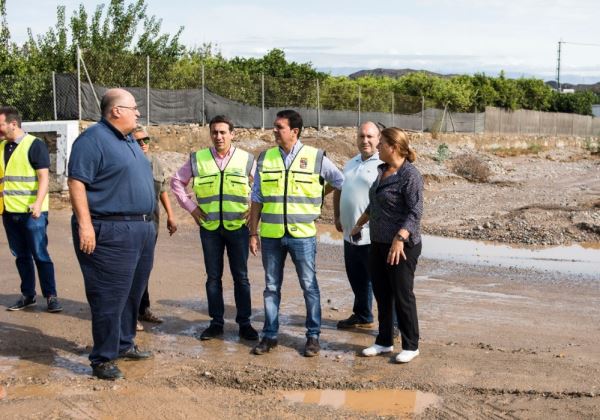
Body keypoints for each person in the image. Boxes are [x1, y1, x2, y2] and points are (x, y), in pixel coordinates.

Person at [68, 88, 156, 380]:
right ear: (116, 111)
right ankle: (102, 359)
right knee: (109, 296)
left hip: (141, 228)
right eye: (134, 108)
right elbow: (77, 182)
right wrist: (85, 225)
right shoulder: (93, 140)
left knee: (133, 293)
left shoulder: (130, 140)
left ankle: (123, 343)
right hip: (111, 230)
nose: (138, 113)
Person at [248, 109, 344, 357]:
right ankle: (270, 336)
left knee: (309, 286)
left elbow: (339, 179)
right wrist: (253, 232)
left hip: (302, 234)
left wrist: (319, 194)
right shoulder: (265, 158)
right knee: (271, 287)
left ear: (294, 131)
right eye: (275, 126)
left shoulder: (315, 157)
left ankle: (313, 337)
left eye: (279, 127)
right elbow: (257, 196)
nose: (274, 131)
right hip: (271, 234)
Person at [171, 115, 258, 341]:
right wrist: (191, 207)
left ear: (232, 134)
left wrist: (254, 210)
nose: (218, 137)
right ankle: (216, 323)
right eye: (214, 132)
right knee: (213, 278)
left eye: (223, 132)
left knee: (241, 278)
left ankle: (245, 323)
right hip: (209, 228)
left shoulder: (246, 159)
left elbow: (262, 186)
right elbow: (176, 182)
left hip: (238, 227)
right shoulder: (198, 159)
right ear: (210, 134)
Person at [350, 127, 423, 363]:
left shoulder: (410, 175)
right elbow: (375, 204)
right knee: (382, 294)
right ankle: (383, 341)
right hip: (379, 242)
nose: (377, 147)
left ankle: (411, 345)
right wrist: (359, 224)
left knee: (402, 295)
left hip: (402, 246)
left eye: (381, 144)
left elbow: (415, 211)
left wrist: (400, 238)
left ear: (393, 146)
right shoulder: (382, 170)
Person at [0, 106, 63, 313]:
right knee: (20, 256)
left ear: (13, 124)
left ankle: (51, 296)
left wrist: (38, 203)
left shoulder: (34, 145)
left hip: (32, 212)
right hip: (9, 212)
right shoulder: (1, 147)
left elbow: (43, 177)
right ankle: (28, 295)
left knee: (40, 254)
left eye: (0, 125)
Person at [333, 121, 381, 329]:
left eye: (370, 136)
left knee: (380, 282)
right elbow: (339, 188)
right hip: (350, 233)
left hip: (373, 235)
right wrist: (337, 215)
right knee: (356, 277)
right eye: (362, 136)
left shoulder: (383, 165)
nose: (365, 141)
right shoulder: (350, 163)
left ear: (379, 139)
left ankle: (394, 323)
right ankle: (362, 314)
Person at [132, 126, 177, 331]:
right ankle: (129, 315)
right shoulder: (127, 162)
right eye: (138, 140)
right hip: (131, 224)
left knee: (144, 268)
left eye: (146, 140)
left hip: (152, 223)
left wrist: (171, 215)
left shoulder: (154, 161)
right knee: (130, 270)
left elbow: (163, 189)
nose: (143, 144)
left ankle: (143, 309)